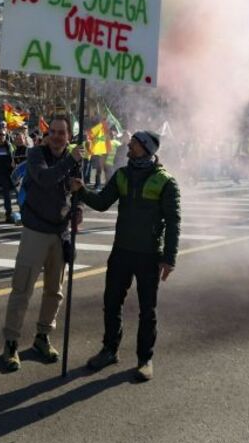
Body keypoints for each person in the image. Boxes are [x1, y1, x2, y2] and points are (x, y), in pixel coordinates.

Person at [72, 130, 180, 382]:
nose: (128, 147)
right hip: (121, 251)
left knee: (147, 310)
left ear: (146, 148)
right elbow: (101, 203)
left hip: (149, 255)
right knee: (111, 302)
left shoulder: (165, 181)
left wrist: (169, 258)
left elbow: (174, 222)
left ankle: (145, 359)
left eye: (133, 144)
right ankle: (109, 350)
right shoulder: (122, 175)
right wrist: (82, 190)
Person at [0, 117, 85, 372]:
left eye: (63, 133)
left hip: (60, 233)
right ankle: (11, 342)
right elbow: (45, 179)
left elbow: (78, 191)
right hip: (35, 230)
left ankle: (42, 336)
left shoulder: (74, 160)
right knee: (22, 289)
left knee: (54, 291)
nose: (59, 137)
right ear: (48, 135)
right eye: (55, 132)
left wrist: (79, 207)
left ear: (69, 136)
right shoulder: (36, 154)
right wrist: (71, 161)